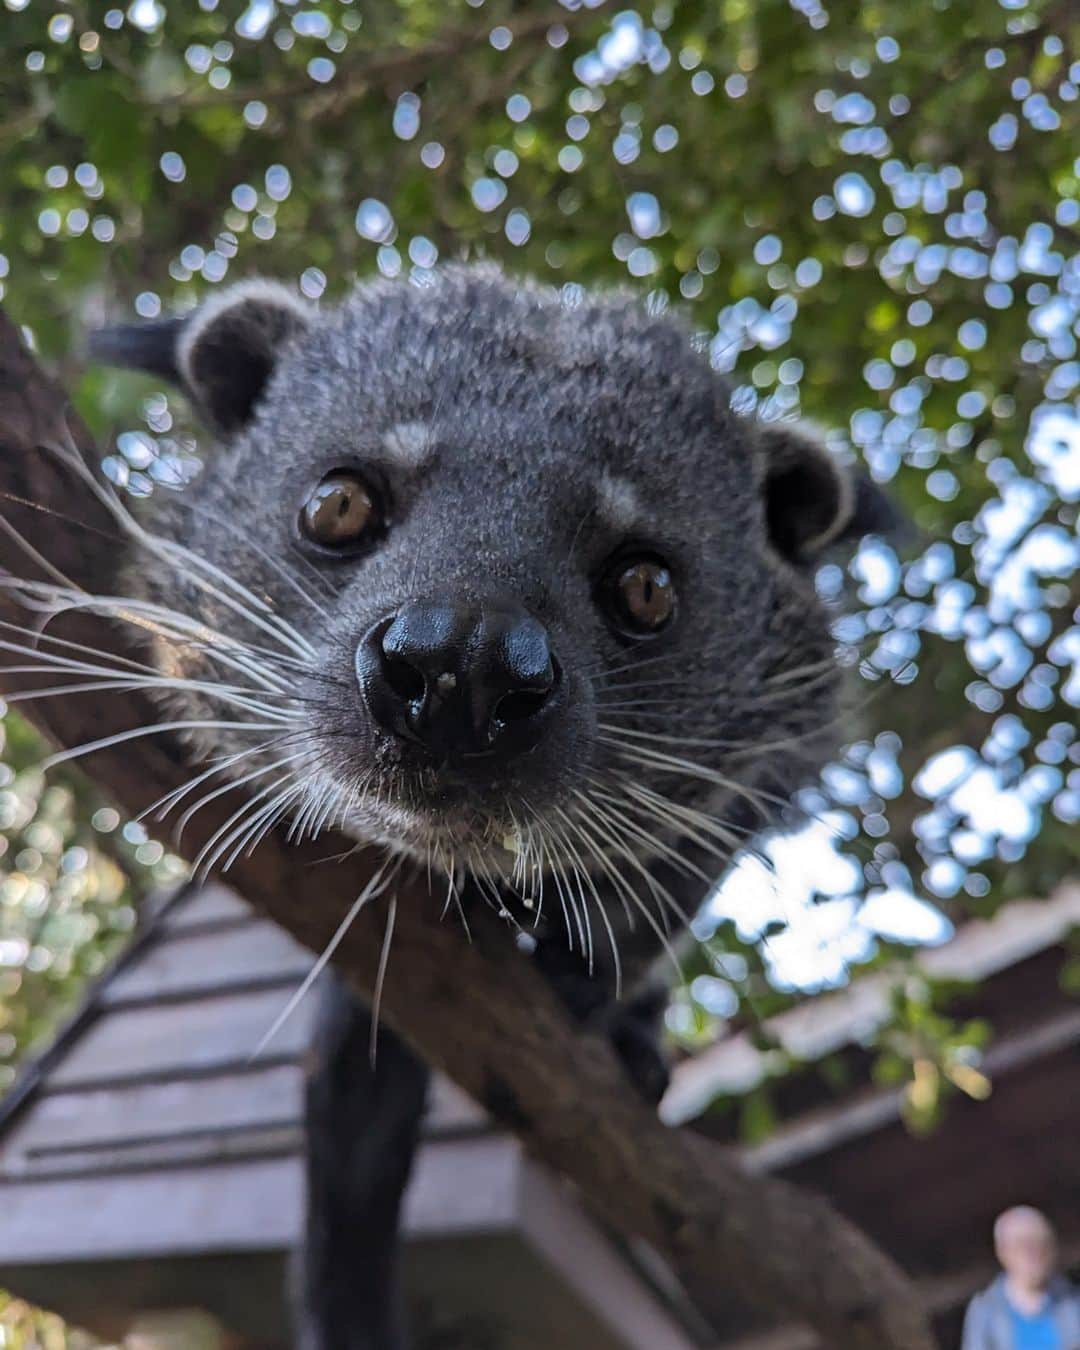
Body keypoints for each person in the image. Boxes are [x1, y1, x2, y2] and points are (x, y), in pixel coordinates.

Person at [962, 1207, 1080, 1349]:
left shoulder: (1073, 1302)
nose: (1033, 1254)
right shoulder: (985, 1312)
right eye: (1022, 1245)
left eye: (1041, 1243)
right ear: (1002, 1252)